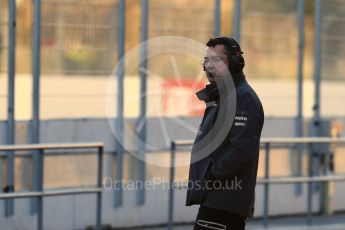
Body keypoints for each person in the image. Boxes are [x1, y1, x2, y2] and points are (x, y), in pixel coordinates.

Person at [186, 36, 264, 230]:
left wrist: (209, 176)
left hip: (224, 202)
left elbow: (241, 151)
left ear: (236, 63)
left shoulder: (243, 98)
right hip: (215, 200)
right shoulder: (223, 96)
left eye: (217, 60)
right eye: (207, 60)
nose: (210, 66)